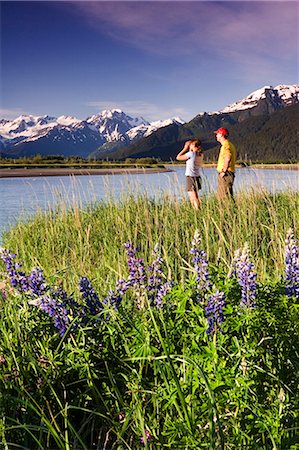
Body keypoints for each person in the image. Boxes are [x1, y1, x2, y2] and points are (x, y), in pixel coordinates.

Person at [176, 139, 203, 209]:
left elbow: (178, 157)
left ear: (193, 145)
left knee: (193, 196)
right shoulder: (200, 154)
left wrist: (185, 148)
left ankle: (197, 210)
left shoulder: (191, 154)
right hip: (197, 176)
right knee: (194, 195)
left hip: (191, 176)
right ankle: (196, 210)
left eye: (191, 145)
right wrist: (190, 147)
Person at [214, 127, 236, 200]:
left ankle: (226, 210)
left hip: (226, 174)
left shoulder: (226, 145)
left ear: (221, 135)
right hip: (228, 173)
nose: (216, 135)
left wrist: (224, 171)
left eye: (217, 134)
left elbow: (228, 157)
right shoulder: (229, 144)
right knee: (227, 195)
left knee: (223, 196)